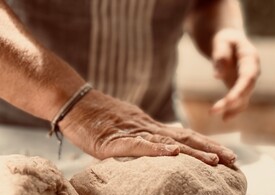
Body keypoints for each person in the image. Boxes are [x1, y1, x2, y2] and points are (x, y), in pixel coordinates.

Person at [0, 0, 260, 166]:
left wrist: (224, 29)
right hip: (23, 135)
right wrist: (76, 105)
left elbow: (205, 3)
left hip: (157, 124)